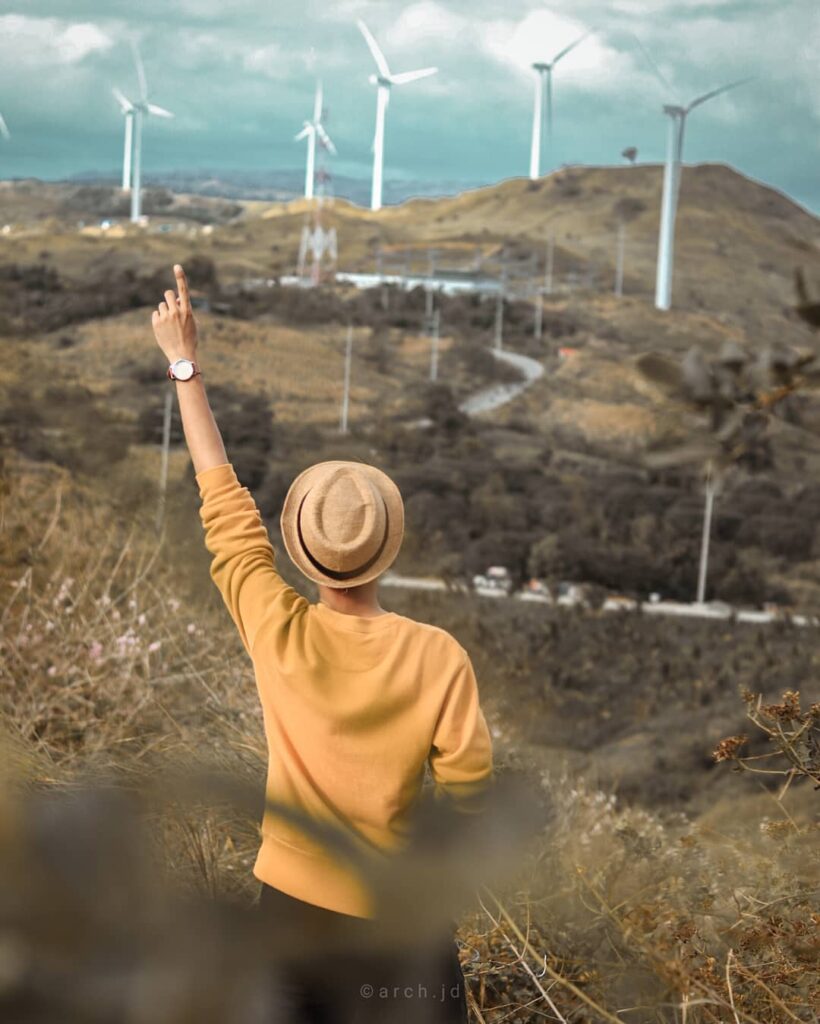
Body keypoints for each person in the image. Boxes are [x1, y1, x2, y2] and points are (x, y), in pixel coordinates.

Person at [151, 264, 494, 1022]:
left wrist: (185, 367)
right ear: (388, 546)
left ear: (302, 548)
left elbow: (223, 506)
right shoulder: (438, 657)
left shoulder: (277, 629)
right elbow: (471, 805)